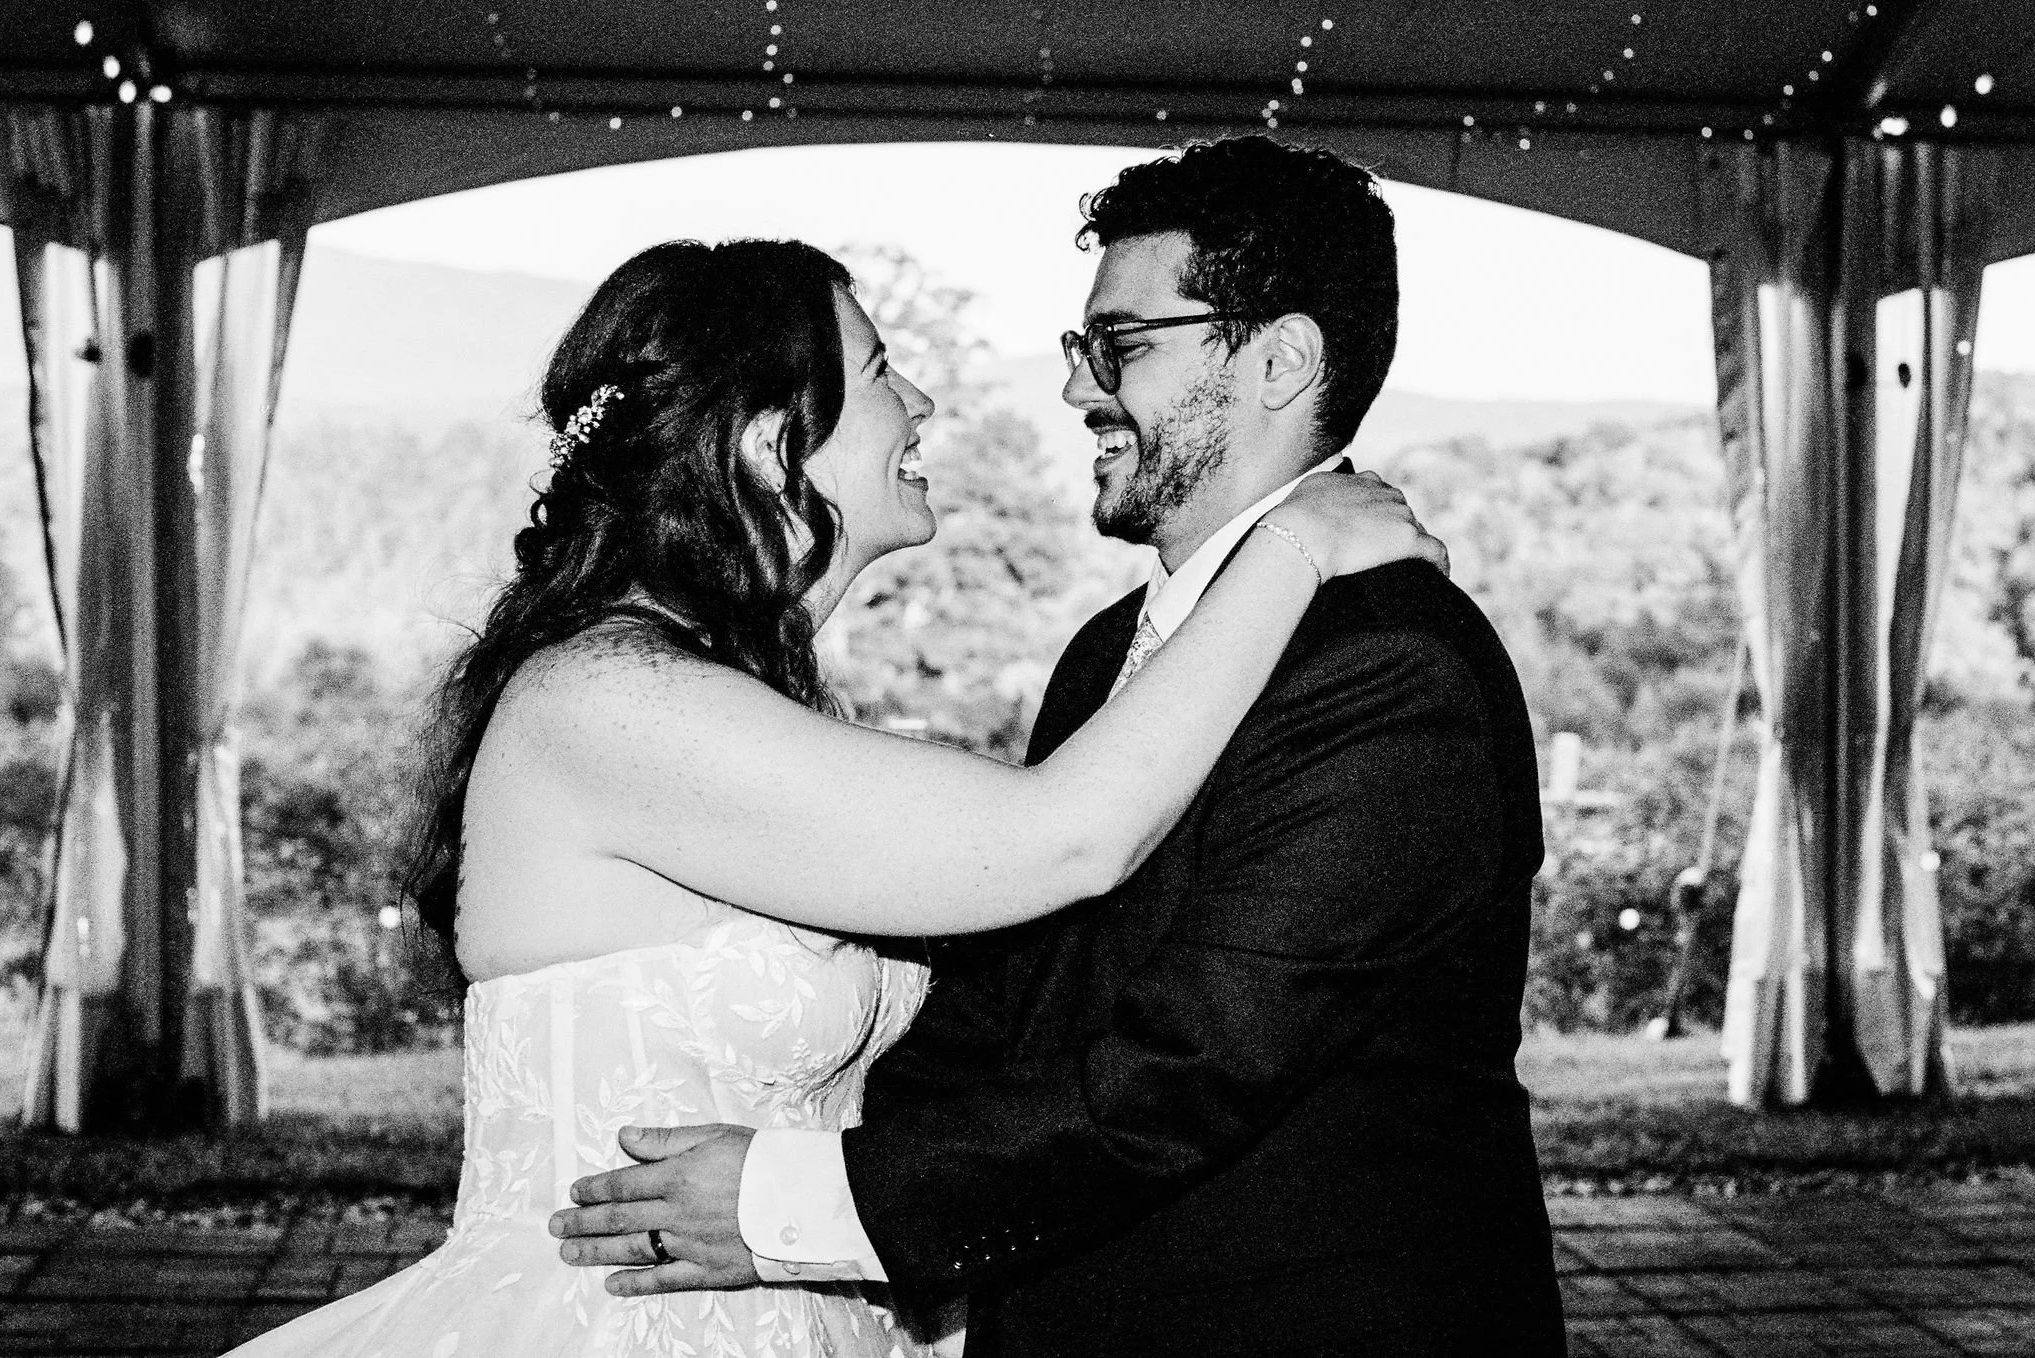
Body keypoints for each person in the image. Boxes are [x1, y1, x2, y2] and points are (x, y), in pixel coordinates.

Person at [220, 232, 1444, 1358]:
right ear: (769, 442)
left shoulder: (754, 712)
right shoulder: (605, 701)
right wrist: (1295, 545)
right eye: (878, 372)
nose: (921, 403)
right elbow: (1065, 833)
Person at [549, 139, 1567, 1356]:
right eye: (1084, 346)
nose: (1079, 387)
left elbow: (1191, 1065)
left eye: (1121, 345)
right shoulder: (1106, 652)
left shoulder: (1386, 665)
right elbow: (1008, 999)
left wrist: (799, 1202)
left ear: (1280, 361)